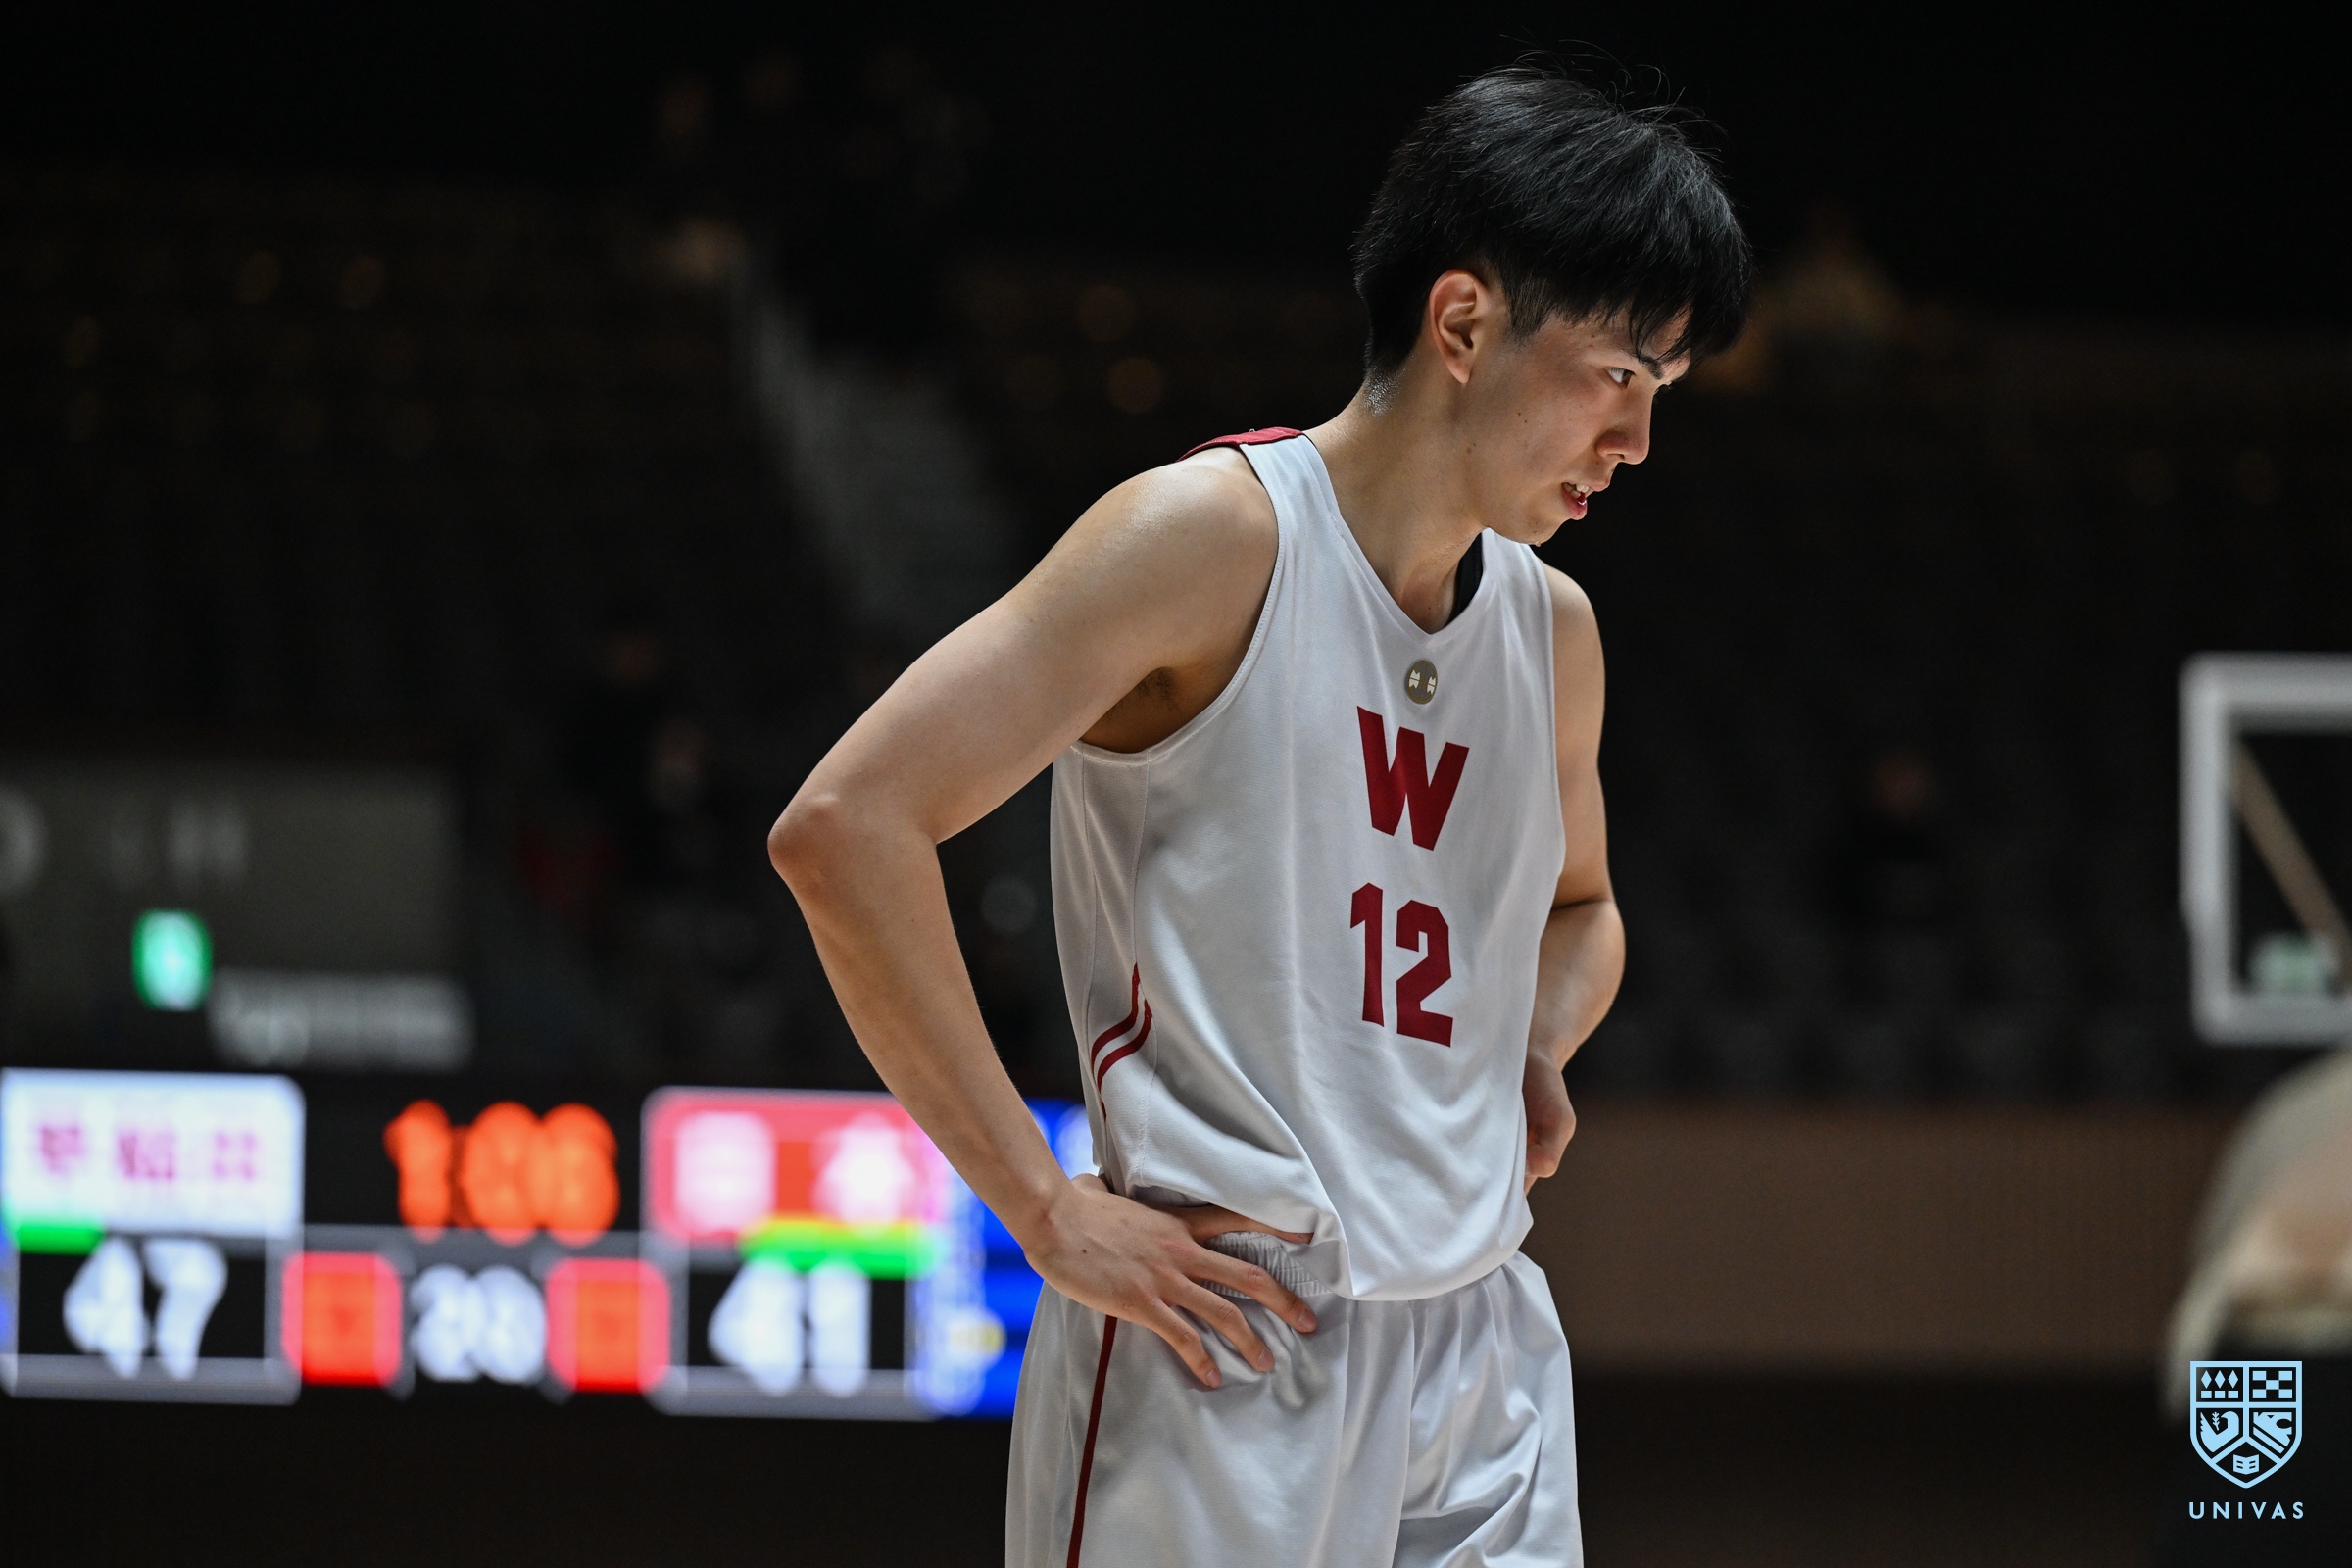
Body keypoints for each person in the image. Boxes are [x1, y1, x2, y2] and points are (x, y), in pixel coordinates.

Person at [770, 65, 1750, 1567]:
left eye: (1659, 393)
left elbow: (1584, 908)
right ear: (1464, 323)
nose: (1634, 438)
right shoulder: (1206, 541)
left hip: (1476, 1342)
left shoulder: (1554, 633)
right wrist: (1041, 1210)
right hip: (1222, 1321)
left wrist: (1535, 1042)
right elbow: (847, 825)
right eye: (1619, 372)